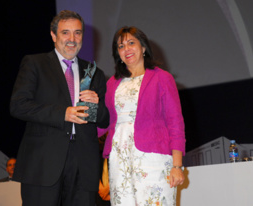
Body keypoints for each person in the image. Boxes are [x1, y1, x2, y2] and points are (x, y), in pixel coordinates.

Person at [10, 10, 109, 206]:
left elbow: (104, 119)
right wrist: (63, 113)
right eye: (65, 32)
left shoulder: (94, 72)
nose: (72, 39)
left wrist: (96, 105)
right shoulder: (34, 64)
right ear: (53, 35)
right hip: (43, 163)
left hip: (84, 162)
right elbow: (18, 106)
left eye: (78, 33)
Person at [98, 26, 186, 205]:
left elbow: (175, 123)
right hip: (119, 159)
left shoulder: (162, 78)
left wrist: (177, 166)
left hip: (154, 160)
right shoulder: (112, 83)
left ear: (143, 47)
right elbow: (104, 122)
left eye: (131, 43)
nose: (126, 49)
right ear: (117, 53)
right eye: (121, 46)